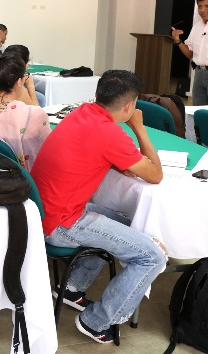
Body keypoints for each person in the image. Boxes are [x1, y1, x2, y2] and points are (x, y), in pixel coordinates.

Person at [31, 70, 167, 344]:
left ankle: (72, 287)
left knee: (128, 222)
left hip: (44, 213)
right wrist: (139, 128)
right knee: (152, 257)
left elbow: (91, 150)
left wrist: (118, 161)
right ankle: (96, 322)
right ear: (130, 107)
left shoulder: (82, 112)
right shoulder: (110, 133)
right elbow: (155, 175)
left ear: (97, 94)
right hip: (61, 223)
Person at [0, 50, 50, 170]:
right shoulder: (33, 114)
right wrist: (31, 87)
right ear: (19, 81)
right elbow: (48, 149)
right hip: (25, 176)